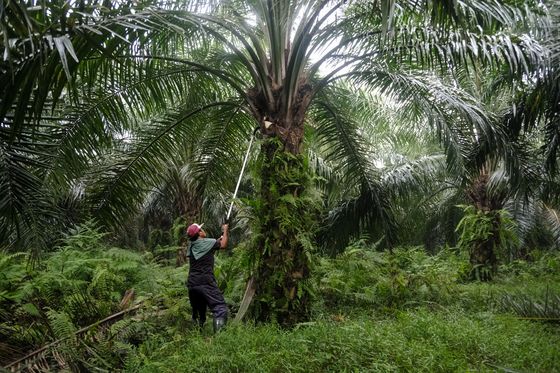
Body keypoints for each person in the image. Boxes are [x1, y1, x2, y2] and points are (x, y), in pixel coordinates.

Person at [186, 222, 229, 333]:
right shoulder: (208, 243)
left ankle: (195, 337)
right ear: (199, 233)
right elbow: (223, 245)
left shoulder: (191, 245)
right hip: (205, 282)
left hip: (192, 283)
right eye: (201, 229)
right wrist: (225, 230)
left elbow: (210, 246)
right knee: (220, 308)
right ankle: (220, 340)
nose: (203, 230)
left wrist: (218, 240)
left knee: (199, 313)